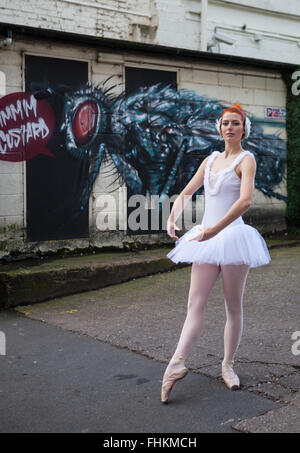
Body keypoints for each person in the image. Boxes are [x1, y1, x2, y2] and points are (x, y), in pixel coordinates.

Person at [161, 103, 271, 404]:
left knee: (233, 307)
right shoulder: (210, 160)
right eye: (226, 123)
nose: (230, 128)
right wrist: (173, 217)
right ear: (219, 127)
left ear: (243, 129)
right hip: (207, 239)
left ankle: (227, 366)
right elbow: (186, 192)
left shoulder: (246, 160)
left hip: (233, 237)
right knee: (195, 304)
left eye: (236, 123)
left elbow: (245, 201)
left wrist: (214, 230)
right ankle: (176, 364)